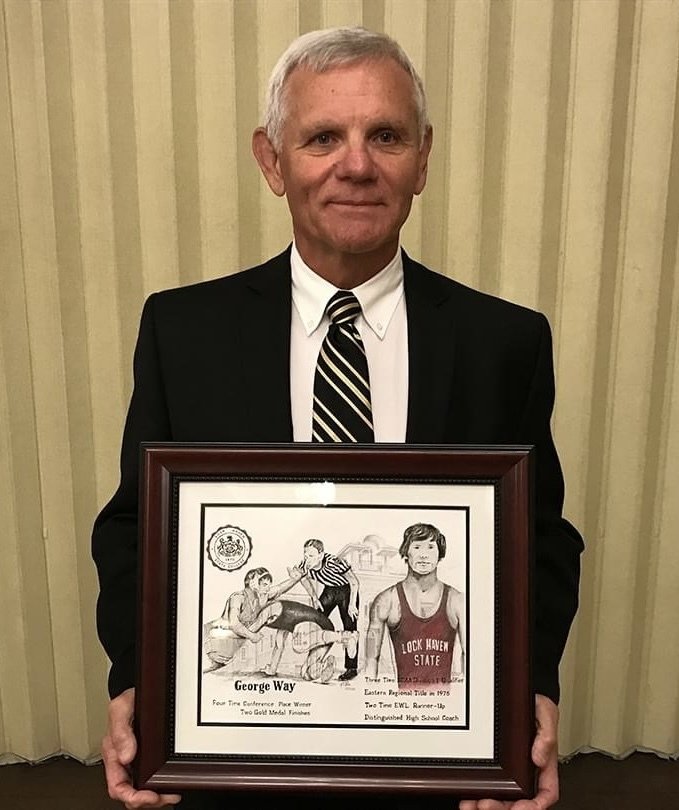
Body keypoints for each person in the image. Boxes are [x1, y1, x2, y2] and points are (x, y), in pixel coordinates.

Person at [92, 25, 582, 810]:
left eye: (384, 135)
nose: (356, 165)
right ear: (271, 159)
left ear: (422, 157)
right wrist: (138, 684)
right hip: (237, 764)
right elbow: (132, 530)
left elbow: (541, 541)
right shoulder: (183, 331)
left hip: (439, 768)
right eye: (322, 137)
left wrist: (530, 695)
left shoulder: (505, 341)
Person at [364, 523, 465, 689]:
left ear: (440, 555)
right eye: (417, 547)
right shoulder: (386, 600)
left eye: (431, 547)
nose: (424, 555)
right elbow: (371, 659)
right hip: (406, 705)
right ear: (406, 553)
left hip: (445, 705)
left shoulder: (457, 600)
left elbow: (470, 656)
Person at [203, 566, 301, 671]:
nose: (267, 587)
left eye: (268, 584)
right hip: (207, 644)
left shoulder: (261, 597)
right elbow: (234, 623)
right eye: (263, 583)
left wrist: (295, 579)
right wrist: (252, 636)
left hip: (223, 656)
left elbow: (279, 588)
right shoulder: (237, 598)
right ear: (252, 583)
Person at [294, 538, 360, 680]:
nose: (307, 560)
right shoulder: (304, 566)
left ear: (321, 555)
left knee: (350, 627)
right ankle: (317, 660)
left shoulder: (334, 563)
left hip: (347, 591)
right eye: (305, 556)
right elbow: (302, 578)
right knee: (316, 621)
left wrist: (352, 604)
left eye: (311, 556)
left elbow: (354, 582)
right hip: (330, 591)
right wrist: (314, 597)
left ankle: (351, 668)